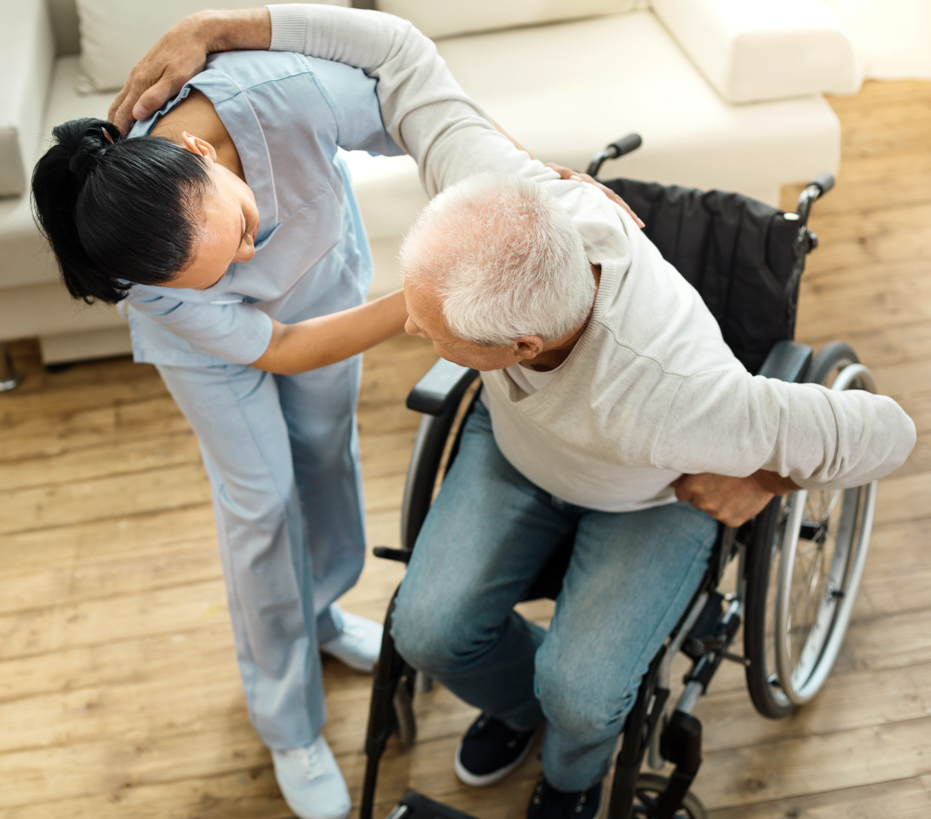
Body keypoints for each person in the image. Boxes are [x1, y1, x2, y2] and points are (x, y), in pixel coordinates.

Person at [108, 5, 917, 819]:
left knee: (583, 690)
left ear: (519, 345)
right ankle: (523, 706)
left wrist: (767, 479)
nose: (411, 327)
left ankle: (570, 775)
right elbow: (398, 52)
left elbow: (891, 432)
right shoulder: (491, 186)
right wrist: (217, 27)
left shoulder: (683, 400)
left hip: (649, 489)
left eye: (433, 327)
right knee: (424, 632)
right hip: (522, 442)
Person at [32, 28, 412, 819]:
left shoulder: (280, 95)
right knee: (265, 503)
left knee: (326, 457)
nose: (247, 259)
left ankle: (324, 611)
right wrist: (418, 305)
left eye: (241, 230)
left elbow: (417, 109)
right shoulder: (145, 271)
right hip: (223, 356)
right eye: (218, 267)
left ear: (204, 157)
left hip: (328, 290)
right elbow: (277, 345)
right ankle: (289, 720)